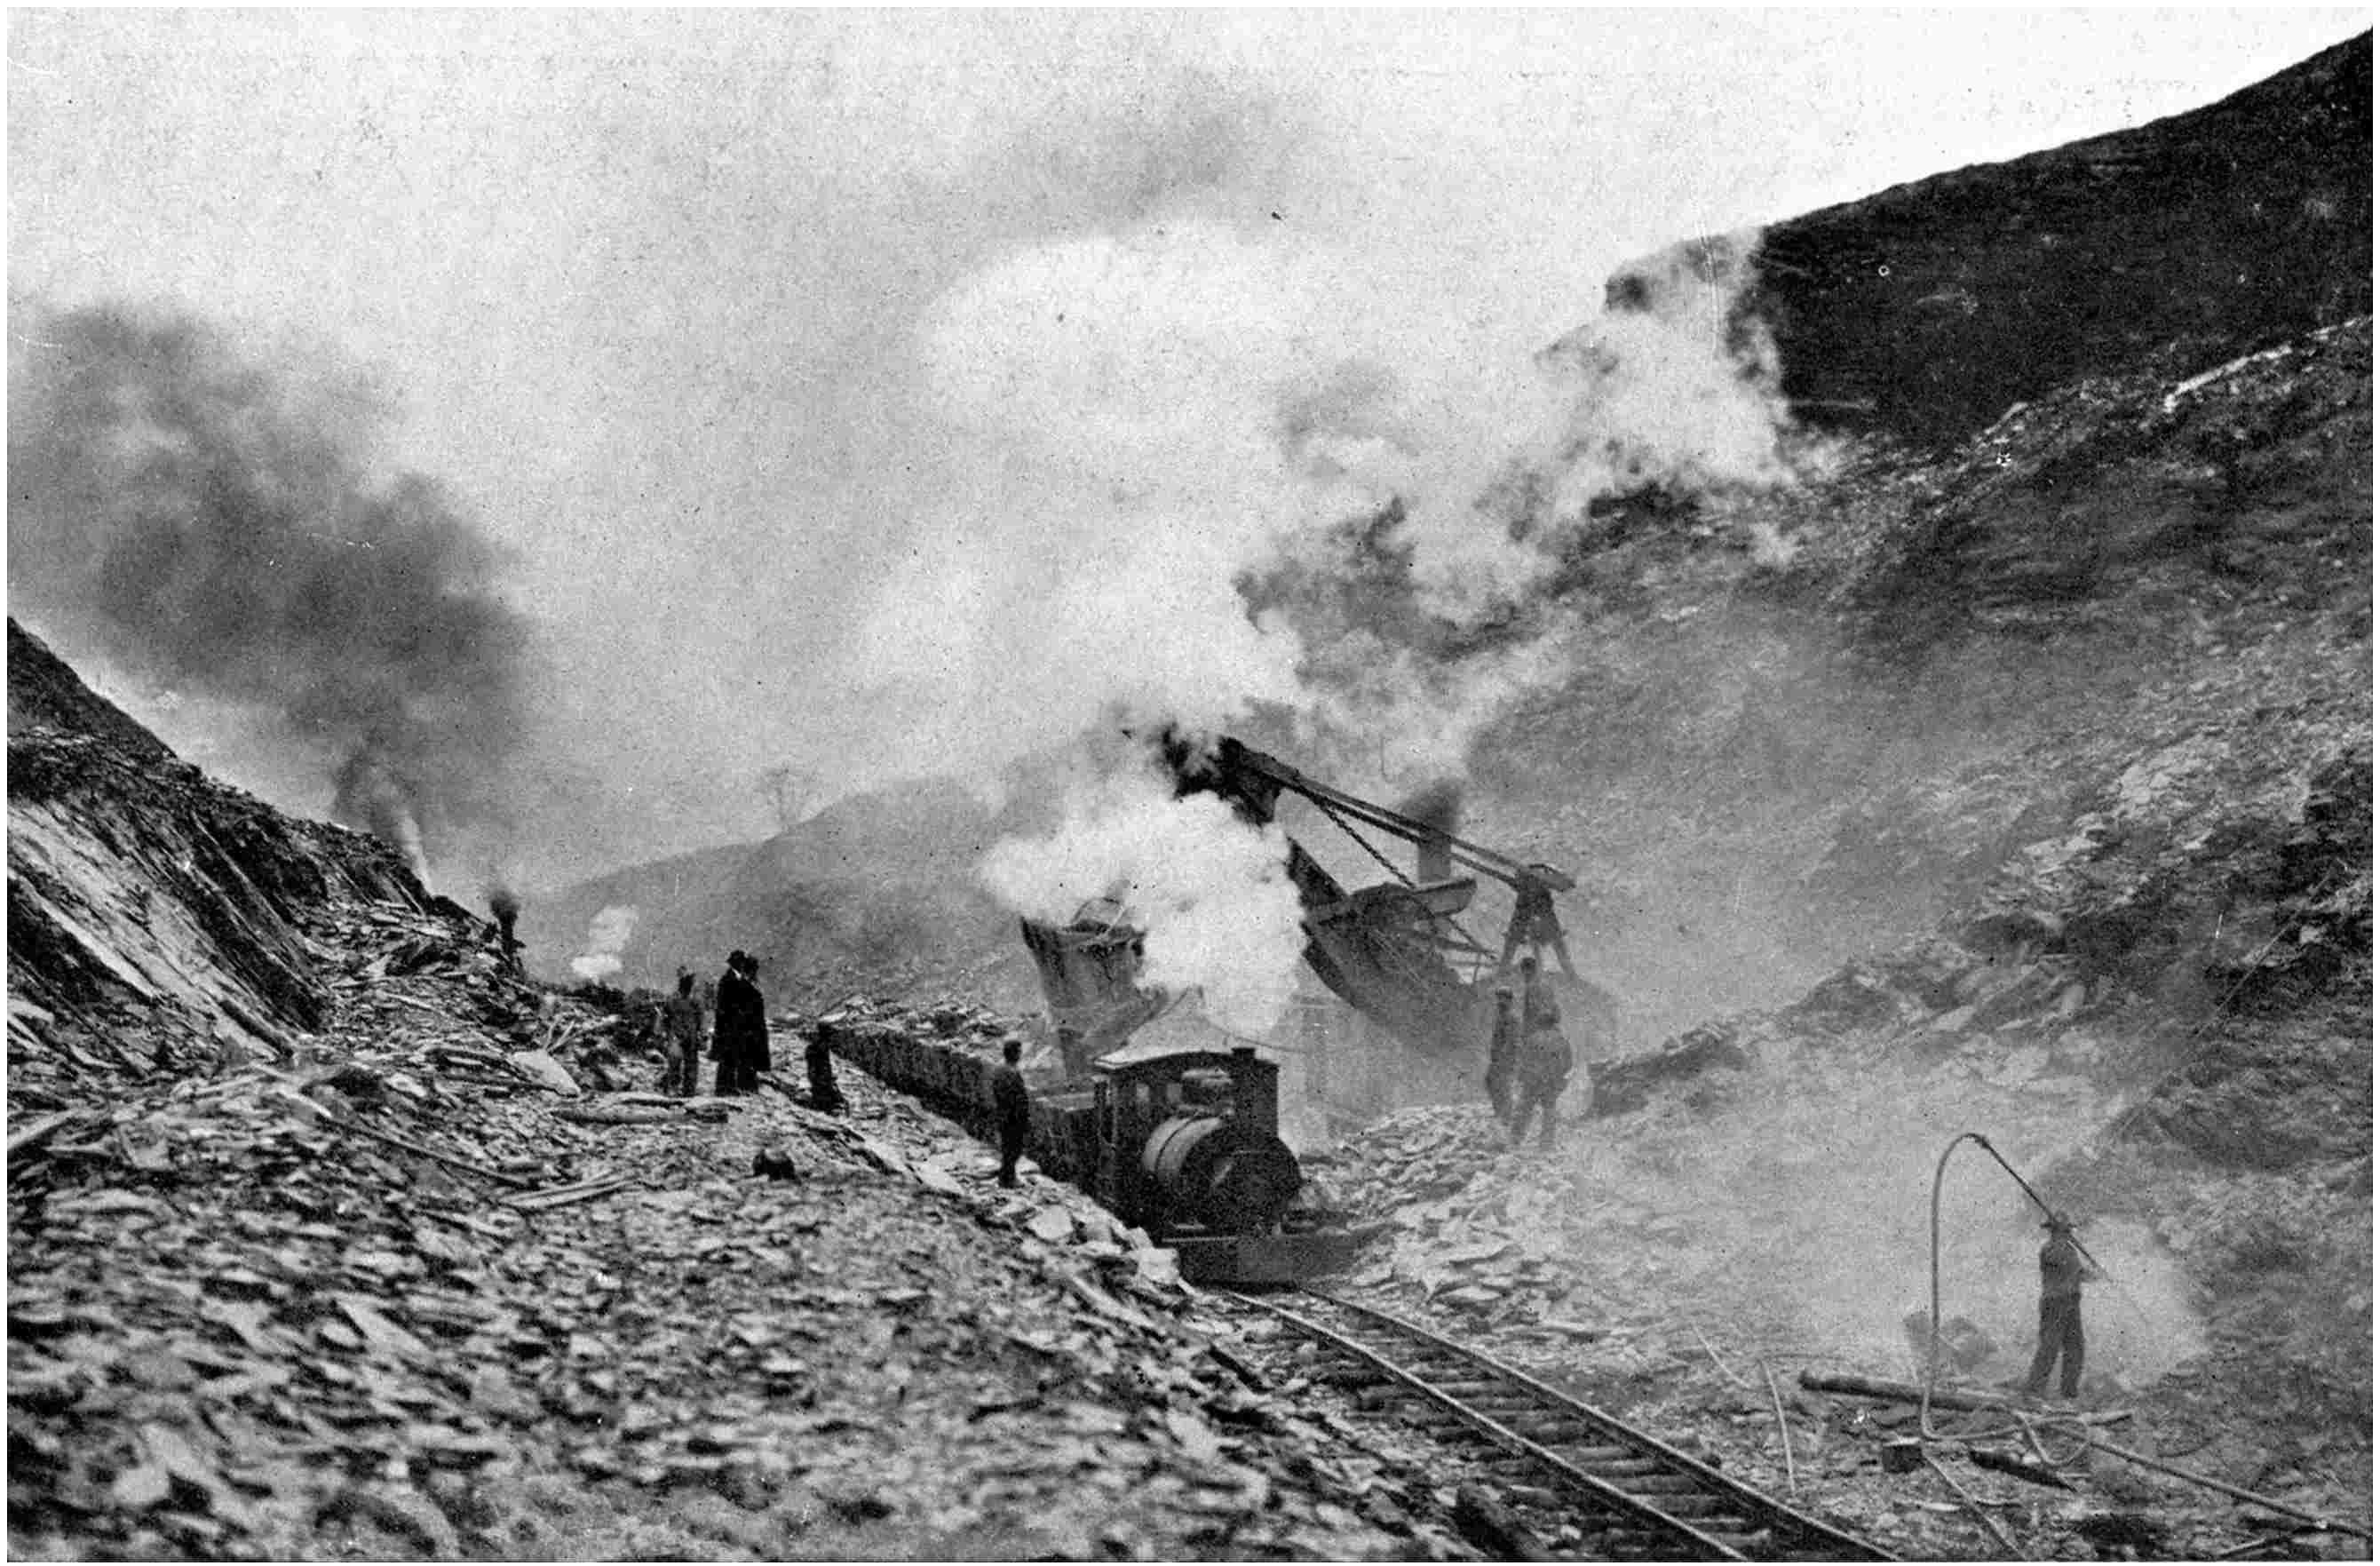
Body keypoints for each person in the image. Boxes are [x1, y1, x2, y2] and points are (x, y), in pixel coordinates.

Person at [2025, 1212, 2099, 1399]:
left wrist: (2096, 1276)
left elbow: (2078, 1272)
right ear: (2054, 1232)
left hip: (2072, 1302)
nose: (2067, 1233)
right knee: (2049, 1347)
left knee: (2075, 1347)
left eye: (2067, 1230)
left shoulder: (2070, 1250)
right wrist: (2062, 1241)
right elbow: (2062, 1264)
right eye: (2063, 1231)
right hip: (2055, 1303)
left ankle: (2069, 1392)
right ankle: (2034, 1390)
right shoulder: (2050, 1249)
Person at [1509, 958, 1574, 1149]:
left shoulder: (1533, 988)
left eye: (1525, 972)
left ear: (1528, 970)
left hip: (1534, 1073)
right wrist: (1559, 1075)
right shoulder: (1561, 1039)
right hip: (1551, 1076)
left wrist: (1522, 1074)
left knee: (1525, 1106)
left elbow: (1525, 1059)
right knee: (1549, 1109)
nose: (1524, 975)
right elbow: (1568, 1062)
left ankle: (1515, 1140)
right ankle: (1546, 1145)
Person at [711, 950, 764, 1097]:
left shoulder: (734, 979)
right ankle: (723, 1088)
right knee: (727, 1058)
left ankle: (729, 1086)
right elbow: (726, 1005)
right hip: (730, 1026)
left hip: (734, 1026)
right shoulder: (728, 980)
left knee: (731, 1057)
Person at [989, 1037, 1031, 1187]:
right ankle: (1008, 1179)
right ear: (1015, 1054)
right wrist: (1025, 1120)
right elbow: (1020, 1100)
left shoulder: (998, 1070)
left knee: (1007, 1149)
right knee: (1014, 1149)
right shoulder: (1013, 1073)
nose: (1020, 1055)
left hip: (1002, 1114)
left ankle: (1006, 1177)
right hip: (1014, 1117)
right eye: (1019, 1052)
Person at [659, 971, 704, 1097]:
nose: (687, 987)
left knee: (690, 1064)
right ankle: (674, 1088)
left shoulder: (695, 1000)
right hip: (677, 1035)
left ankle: (688, 1090)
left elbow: (701, 1018)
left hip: (690, 1036)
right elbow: (665, 1017)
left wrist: (703, 1034)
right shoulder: (673, 1000)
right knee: (675, 1063)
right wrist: (664, 1032)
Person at [1484, 986, 1518, 1121]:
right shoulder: (1501, 1017)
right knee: (1493, 1084)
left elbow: (1511, 1040)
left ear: (1510, 1000)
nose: (1500, 1001)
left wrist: (1502, 1058)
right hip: (1498, 1058)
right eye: (1499, 998)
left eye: (1503, 998)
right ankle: (1501, 1112)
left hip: (1504, 1059)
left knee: (1501, 1086)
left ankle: (1505, 1115)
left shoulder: (1510, 1018)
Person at [804, 1021, 845, 1116]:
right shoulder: (820, 1046)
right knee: (825, 1096)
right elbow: (819, 1064)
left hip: (821, 1076)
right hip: (820, 1076)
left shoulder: (818, 1045)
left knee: (827, 1094)